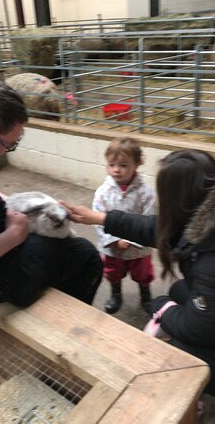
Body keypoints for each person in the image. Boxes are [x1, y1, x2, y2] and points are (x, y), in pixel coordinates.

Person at [62, 149, 215, 395]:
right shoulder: (206, 215)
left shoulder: (211, 261)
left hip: (205, 323)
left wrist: (162, 308)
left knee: (174, 348)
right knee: (179, 290)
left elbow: (198, 328)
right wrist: (100, 218)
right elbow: (162, 229)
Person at [0, 79, 102, 308]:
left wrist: (2, 201)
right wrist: (13, 235)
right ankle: (64, 328)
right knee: (84, 255)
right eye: (10, 144)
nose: (9, 149)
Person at [92, 137, 155, 314]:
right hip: (114, 248)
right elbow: (97, 218)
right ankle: (116, 294)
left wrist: (135, 240)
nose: (116, 170)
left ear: (137, 164)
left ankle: (146, 296)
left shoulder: (146, 193)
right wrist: (112, 240)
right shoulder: (103, 192)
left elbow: (149, 220)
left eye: (123, 165)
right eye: (111, 164)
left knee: (143, 273)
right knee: (113, 272)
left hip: (139, 249)